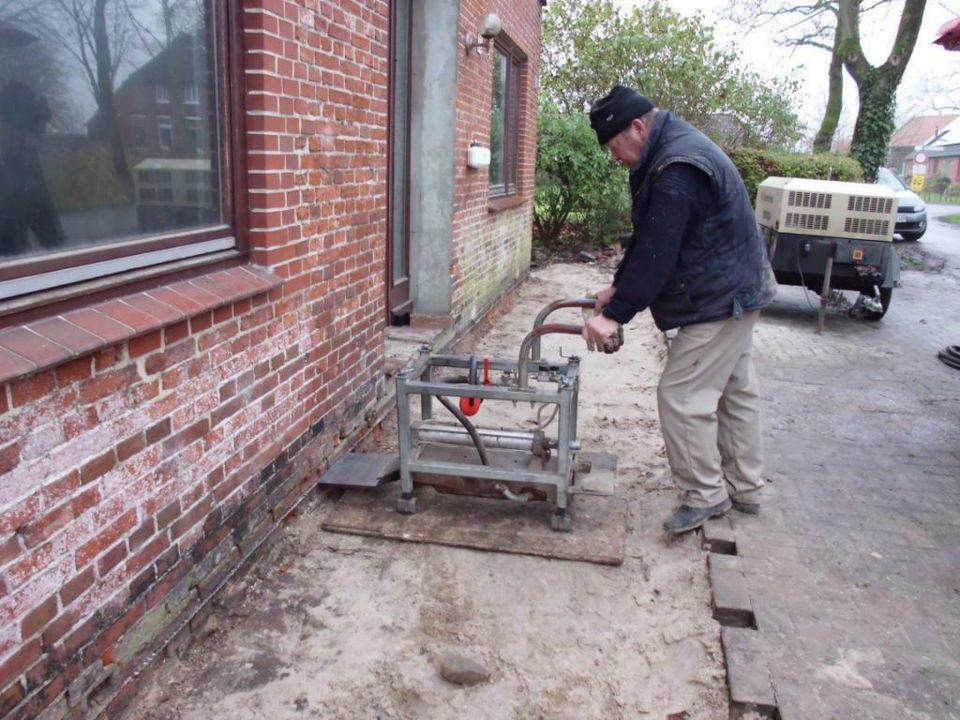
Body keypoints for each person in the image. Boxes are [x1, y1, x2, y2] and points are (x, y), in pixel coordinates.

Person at [581, 84, 777, 535]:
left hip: (717, 300)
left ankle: (706, 495)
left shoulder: (676, 170)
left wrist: (615, 314)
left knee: (682, 396)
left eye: (614, 145)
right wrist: (618, 288)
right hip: (739, 292)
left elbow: (659, 252)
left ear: (637, 126)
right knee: (734, 392)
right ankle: (745, 488)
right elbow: (650, 233)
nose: (613, 156)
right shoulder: (671, 151)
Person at [0, 81, 66, 257]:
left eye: (38, 132)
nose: (34, 140)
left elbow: (57, 246)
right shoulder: (9, 182)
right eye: (29, 132)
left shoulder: (32, 174)